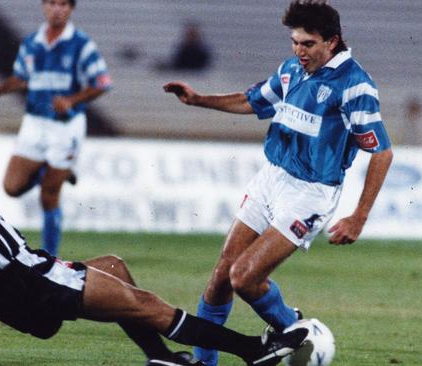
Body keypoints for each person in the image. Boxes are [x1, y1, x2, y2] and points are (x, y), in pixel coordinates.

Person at [0, 103, 309, 366]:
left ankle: (158, 356)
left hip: (11, 292)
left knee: (115, 269)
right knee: (148, 306)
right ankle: (255, 350)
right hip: (25, 278)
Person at [164, 1, 393, 365]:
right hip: (270, 179)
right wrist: (198, 100)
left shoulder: (355, 85)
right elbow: (252, 101)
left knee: (244, 278)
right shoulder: (292, 70)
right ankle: (206, 363)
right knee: (221, 276)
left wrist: (358, 216)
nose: (299, 51)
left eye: (308, 44)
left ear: (332, 42)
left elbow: (381, 153)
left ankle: (296, 330)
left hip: (309, 193)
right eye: (295, 42)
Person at [0, 0, 112, 257]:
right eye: (53, 3)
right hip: (34, 122)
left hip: (65, 128)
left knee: (48, 196)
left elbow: (102, 82)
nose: (57, 9)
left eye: (63, 4)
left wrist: (72, 100)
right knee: (12, 187)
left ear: (71, 9)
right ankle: (57, 172)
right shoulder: (32, 42)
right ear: (44, 6)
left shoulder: (81, 45)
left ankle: (49, 258)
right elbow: (21, 77)